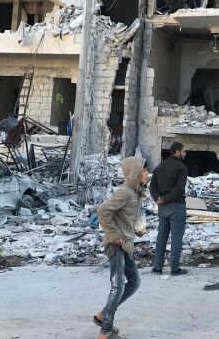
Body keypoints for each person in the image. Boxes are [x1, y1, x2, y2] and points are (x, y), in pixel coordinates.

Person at [94, 156, 148, 339]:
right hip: (116, 244)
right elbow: (103, 211)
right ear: (134, 172)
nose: (146, 172)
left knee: (134, 282)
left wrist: (137, 228)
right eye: (143, 169)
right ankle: (105, 331)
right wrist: (115, 234)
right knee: (117, 286)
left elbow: (129, 216)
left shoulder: (136, 193)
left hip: (126, 244)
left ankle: (102, 315)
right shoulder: (124, 192)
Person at [149, 141, 188, 275]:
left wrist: (158, 198)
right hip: (176, 206)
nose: (185, 154)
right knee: (176, 237)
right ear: (177, 152)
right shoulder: (181, 167)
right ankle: (174, 269)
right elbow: (179, 189)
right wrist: (166, 198)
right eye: (183, 151)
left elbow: (152, 186)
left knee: (162, 236)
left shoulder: (159, 167)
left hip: (162, 208)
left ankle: (157, 268)